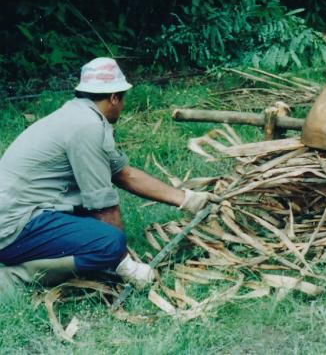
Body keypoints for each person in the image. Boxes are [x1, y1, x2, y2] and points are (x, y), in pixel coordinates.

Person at [0, 57, 212, 295]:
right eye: (122, 99)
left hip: (21, 215)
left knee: (97, 235)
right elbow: (102, 204)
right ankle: (13, 279)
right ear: (114, 97)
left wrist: (187, 198)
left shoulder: (79, 116)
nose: (122, 106)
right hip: (14, 228)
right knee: (108, 244)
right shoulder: (87, 128)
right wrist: (124, 264)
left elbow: (124, 174)